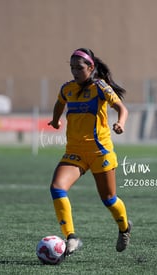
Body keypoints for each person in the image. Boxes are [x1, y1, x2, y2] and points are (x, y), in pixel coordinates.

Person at [48, 48, 131, 255]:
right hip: (74, 151)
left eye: (79, 68)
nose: (75, 72)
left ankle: (124, 228)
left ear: (91, 67)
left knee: (109, 199)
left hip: (99, 152)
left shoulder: (100, 87)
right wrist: (56, 120)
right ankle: (71, 237)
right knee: (57, 188)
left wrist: (120, 123)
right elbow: (59, 104)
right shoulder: (67, 88)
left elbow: (122, 108)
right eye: (72, 68)